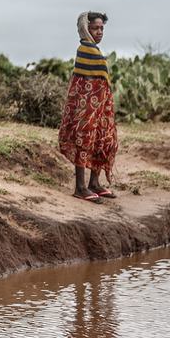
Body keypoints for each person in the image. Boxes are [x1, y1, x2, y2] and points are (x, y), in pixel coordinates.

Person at [58, 12, 119, 204]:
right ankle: (80, 187)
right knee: (84, 140)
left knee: (103, 140)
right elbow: (83, 85)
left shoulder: (95, 50)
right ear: (86, 29)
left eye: (101, 28)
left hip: (100, 107)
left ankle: (94, 183)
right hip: (85, 108)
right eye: (95, 28)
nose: (99, 32)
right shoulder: (85, 49)